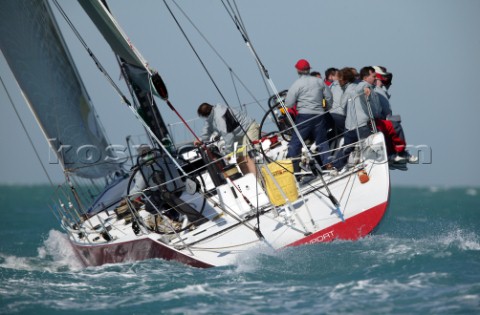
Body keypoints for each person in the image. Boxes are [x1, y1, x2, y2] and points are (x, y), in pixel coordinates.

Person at [284, 59, 333, 180]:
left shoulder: (297, 84)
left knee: (295, 142)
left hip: (304, 117)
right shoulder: (319, 81)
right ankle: (328, 164)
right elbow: (329, 96)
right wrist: (326, 108)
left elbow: (289, 104)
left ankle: (293, 170)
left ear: (298, 70)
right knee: (322, 141)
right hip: (319, 115)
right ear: (309, 69)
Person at [333, 66, 381, 170]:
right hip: (361, 125)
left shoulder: (352, 88)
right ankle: (368, 167)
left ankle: (335, 168)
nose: (375, 78)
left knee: (346, 149)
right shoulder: (361, 85)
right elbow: (361, 87)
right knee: (368, 147)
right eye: (374, 76)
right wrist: (365, 88)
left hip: (350, 126)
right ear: (366, 77)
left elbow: (342, 104)